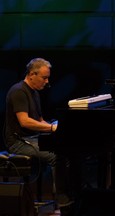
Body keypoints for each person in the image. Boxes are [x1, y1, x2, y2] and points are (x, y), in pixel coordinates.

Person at [4, 58, 76, 216]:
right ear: (31, 75)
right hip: (18, 142)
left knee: (66, 150)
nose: (47, 81)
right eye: (44, 78)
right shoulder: (18, 91)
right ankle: (64, 203)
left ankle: (73, 196)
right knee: (56, 156)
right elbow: (24, 122)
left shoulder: (34, 92)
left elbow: (39, 121)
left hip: (32, 138)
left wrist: (55, 128)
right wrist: (52, 128)